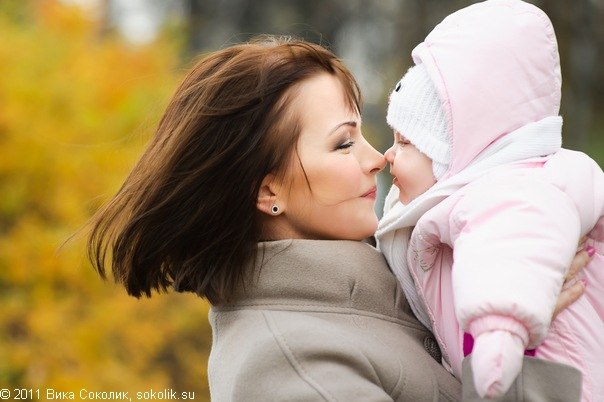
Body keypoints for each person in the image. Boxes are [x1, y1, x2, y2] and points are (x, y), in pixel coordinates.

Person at [86, 35, 589, 401]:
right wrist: (524, 352)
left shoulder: (397, 286)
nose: (378, 159)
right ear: (268, 191)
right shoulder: (287, 365)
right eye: (343, 143)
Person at [375, 0, 604, 400]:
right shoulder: (459, 197)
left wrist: (498, 332)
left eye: (406, 142)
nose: (387, 155)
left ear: (456, 151)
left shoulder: (512, 191)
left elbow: (508, 255)